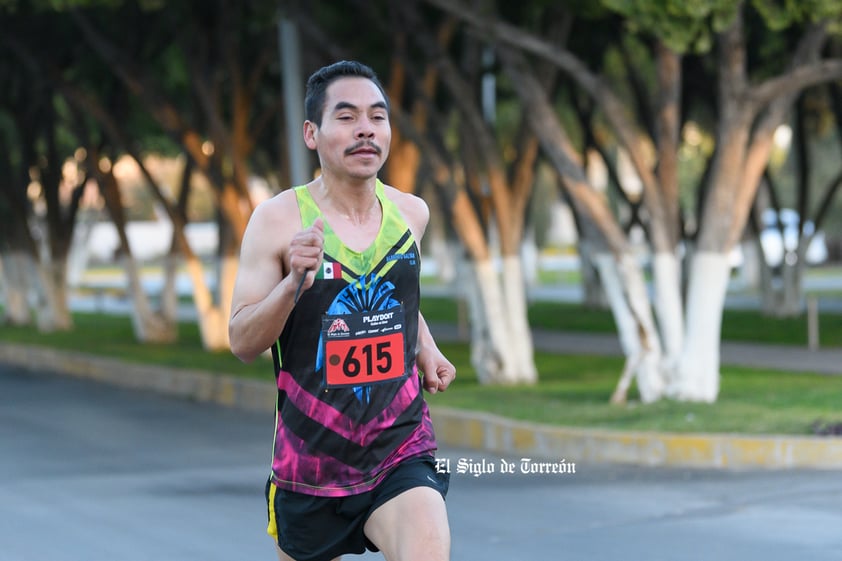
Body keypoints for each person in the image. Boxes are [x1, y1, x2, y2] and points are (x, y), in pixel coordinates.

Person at [228, 60, 456, 561]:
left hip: (400, 447)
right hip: (310, 464)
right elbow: (243, 341)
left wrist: (427, 349)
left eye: (377, 117)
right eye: (347, 117)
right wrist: (293, 283)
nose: (365, 130)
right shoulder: (277, 220)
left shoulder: (411, 213)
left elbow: (395, 298)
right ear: (312, 133)